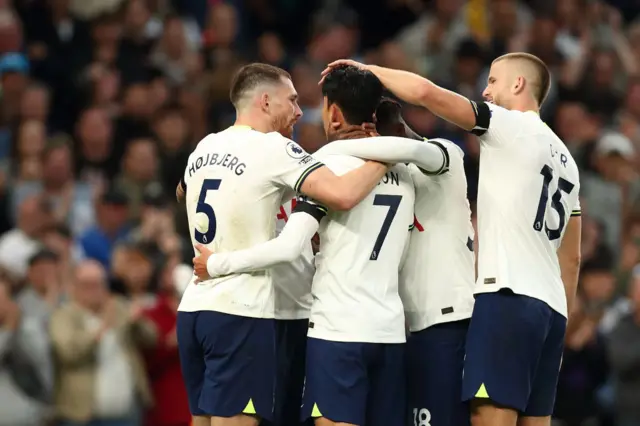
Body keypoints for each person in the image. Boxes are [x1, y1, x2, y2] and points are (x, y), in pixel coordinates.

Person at [322, 54, 582, 426]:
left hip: (507, 297)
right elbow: (570, 260)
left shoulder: (510, 126)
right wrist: (558, 327)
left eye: (492, 81)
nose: (486, 91)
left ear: (518, 85)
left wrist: (371, 69)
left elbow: (427, 93)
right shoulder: (569, 163)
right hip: (552, 312)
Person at [192, 65, 448, 426]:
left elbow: (291, 243)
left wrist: (218, 263)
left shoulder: (322, 166)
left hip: (337, 330)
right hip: (390, 328)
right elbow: (436, 156)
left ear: (335, 113)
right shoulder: (408, 169)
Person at [375, 98, 475, 426]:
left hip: (450, 320)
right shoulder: (389, 179)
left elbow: (420, 153)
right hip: (417, 327)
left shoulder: (445, 153)